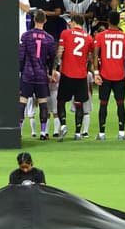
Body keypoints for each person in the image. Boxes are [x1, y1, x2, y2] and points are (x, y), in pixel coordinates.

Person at [93, 16, 125, 140]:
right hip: (119, 75)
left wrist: (96, 72)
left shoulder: (100, 36)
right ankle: (121, 133)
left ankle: (101, 134)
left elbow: (95, 55)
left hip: (105, 75)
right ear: (119, 22)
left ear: (108, 21)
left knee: (103, 104)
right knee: (120, 104)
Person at [19, 10, 56, 140]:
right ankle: (43, 132)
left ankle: (19, 131)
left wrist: (21, 70)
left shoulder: (26, 36)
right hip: (41, 74)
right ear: (45, 21)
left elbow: (21, 56)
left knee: (22, 101)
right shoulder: (49, 38)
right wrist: (50, 72)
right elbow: (52, 58)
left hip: (28, 73)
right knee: (43, 102)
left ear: (34, 20)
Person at [55, 14, 92, 140]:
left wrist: (56, 67)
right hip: (81, 75)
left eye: (71, 22)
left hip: (67, 73)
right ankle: (77, 132)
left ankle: (64, 125)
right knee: (79, 104)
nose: (69, 23)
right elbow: (90, 57)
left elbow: (60, 52)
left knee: (61, 101)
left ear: (75, 22)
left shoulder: (65, 33)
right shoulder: (88, 38)